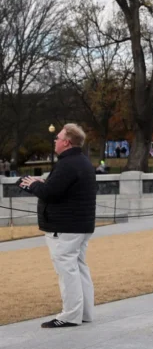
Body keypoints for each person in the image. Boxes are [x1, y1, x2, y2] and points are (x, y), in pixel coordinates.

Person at [20, 123, 97, 329]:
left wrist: (32, 184)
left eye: (58, 138)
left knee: (67, 270)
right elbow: (60, 188)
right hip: (79, 225)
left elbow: (50, 194)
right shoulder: (82, 162)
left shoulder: (68, 164)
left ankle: (70, 315)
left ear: (66, 142)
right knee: (79, 268)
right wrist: (42, 182)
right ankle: (85, 312)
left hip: (64, 227)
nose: (55, 141)